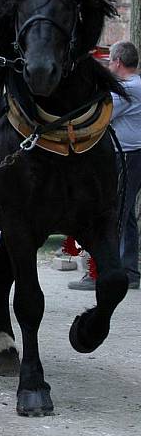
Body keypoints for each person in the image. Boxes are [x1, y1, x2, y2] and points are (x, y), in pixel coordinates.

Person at [70, 40, 141, 291]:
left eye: (109, 61)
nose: (108, 65)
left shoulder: (129, 88)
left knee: (113, 214)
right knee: (124, 213)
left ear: (118, 62)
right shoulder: (134, 85)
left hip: (127, 157)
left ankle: (105, 272)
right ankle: (129, 269)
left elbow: (101, 113)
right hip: (132, 157)